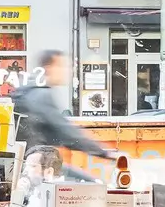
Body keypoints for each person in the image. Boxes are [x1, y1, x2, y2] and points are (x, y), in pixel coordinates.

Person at [11, 49, 115, 181]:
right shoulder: (40, 94)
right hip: (36, 166)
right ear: (49, 68)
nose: (68, 71)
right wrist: (104, 152)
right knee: (91, 184)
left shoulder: (29, 91)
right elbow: (66, 132)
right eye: (63, 66)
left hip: (29, 163)